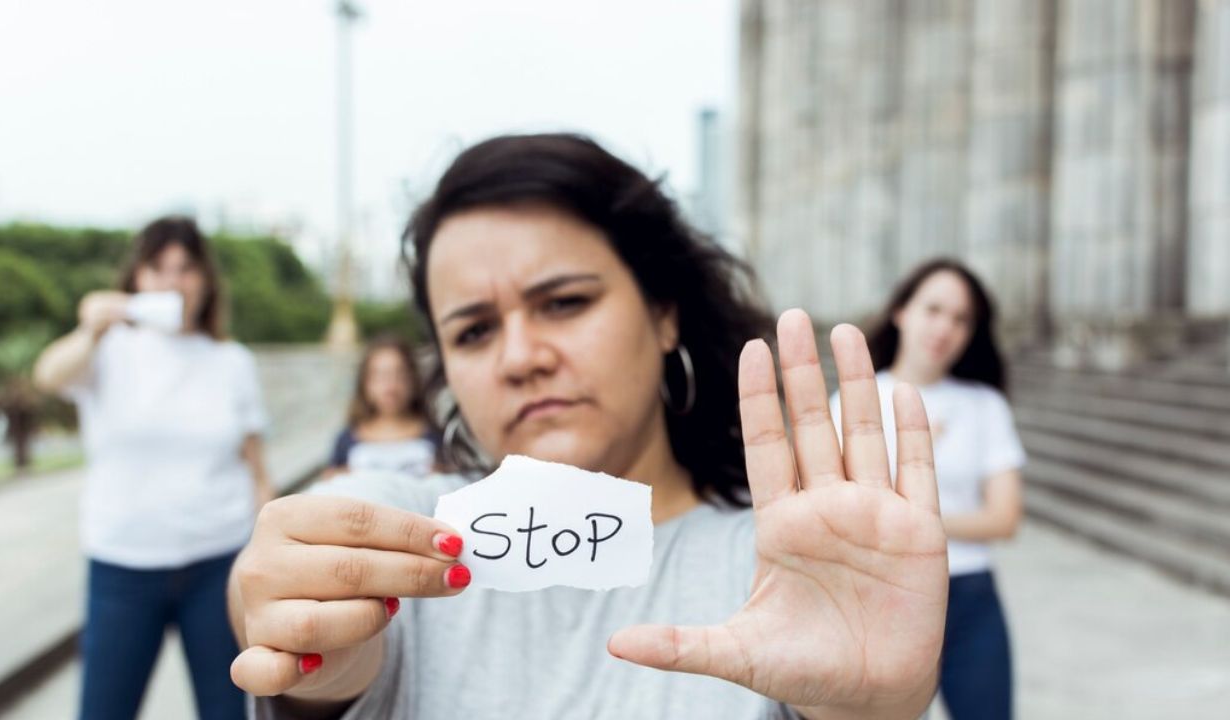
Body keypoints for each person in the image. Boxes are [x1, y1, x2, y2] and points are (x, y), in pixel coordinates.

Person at [228, 134, 949, 720]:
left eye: (564, 303)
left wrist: (872, 711)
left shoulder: (785, 559)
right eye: (475, 331)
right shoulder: (414, 540)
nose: (521, 358)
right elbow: (297, 596)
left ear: (663, 312)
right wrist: (302, 631)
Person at [34, 215, 272, 720]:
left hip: (217, 560)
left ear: (205, 280)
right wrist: (91, 327)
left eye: (185, 268)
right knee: (104, 709)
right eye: (158, 268)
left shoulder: (231, 361)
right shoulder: (109, 351)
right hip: (124, 562)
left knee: (230, 710)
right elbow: (49, 376)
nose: (173, 281)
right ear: (136, 278)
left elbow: (257, 468)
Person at [833, 258, 1025, 720]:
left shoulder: (984, 405)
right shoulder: (855, 401)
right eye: (933, 309)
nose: (945, 328)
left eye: (961, 319)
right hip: (882, 594)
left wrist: (910, 516)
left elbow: (1004, 517)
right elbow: (841, 512)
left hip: (969, 595)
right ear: (902, 311)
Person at [323, 337, 437, 480]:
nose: (390, 387)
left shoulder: (438, 436)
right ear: (364, 383)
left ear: (413, 379)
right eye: (380, 376)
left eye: (400, 375)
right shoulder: (346, 440)